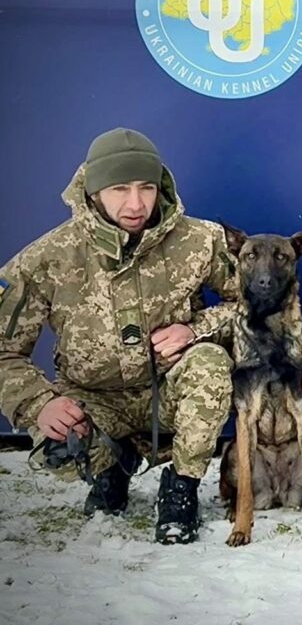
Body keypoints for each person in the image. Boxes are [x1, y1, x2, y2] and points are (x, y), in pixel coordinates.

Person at [0, 128, 237, 544]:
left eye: (146, 187)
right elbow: (3, 350)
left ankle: (181, 488)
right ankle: (111, 468)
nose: (135, 203)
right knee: (59, 449)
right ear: (93, 192)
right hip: (96, 398)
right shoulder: (47, 258)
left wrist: (195, 328)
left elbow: (256, 306)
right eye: (119, 189)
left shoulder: (201, 241)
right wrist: (40, 405)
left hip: (168, 391)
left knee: (211, 365)